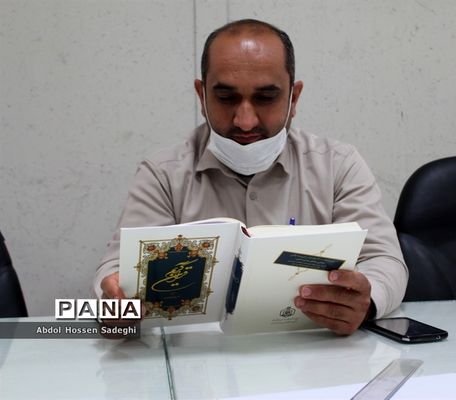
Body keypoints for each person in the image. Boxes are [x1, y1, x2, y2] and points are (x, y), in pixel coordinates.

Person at [95, 19, 407, 335]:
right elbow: (115, 271)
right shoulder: (163, 174)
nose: (245, 121)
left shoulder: (338, 166)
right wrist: (116, 302)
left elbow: (384, 261)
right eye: (226, 98)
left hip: (312, 352)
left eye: (266, 97)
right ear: (202, 96)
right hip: (198, 359)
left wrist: (365, 302)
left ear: (294, 98)